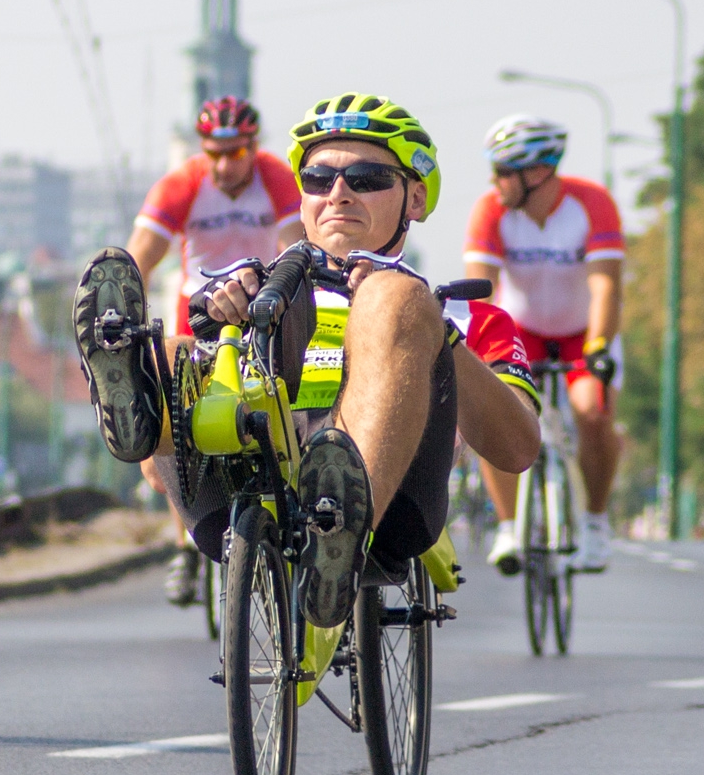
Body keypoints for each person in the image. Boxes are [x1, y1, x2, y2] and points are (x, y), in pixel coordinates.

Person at [75, 93, 539, 628]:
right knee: (177, 353)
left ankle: (344, 523)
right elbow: (157, 476)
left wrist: (429, 325)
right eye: (318, 179)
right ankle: (134, 379)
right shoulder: (257, 287)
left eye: (366, 178)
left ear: (415, 198)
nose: (338, 194)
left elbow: (518, 448)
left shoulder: (462, 313)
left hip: (396, 509)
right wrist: (224, 321)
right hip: (246, 496)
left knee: (395, 300)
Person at [123, 96, 303, 605]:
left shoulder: (276, 178)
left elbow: (297, 246)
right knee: (177, 426)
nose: (224, 165)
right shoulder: (183, 183)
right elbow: (140, 258)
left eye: (236, 152)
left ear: (254, 146)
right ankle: (185, 542)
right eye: (214, 153)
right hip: (198, 315)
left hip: (263, 309)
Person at [463, 114, 625, 574]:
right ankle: (509, 526)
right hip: (521, 331)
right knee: (495, 413)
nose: (494, 181)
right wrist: (479, 350)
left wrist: (598, 348)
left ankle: (594, 523)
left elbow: (606, 287)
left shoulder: (592, 203)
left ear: (536, 173)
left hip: (583, 332)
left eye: (502, 171)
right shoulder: (491, 210)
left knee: (593, 412)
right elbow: (480, 291)